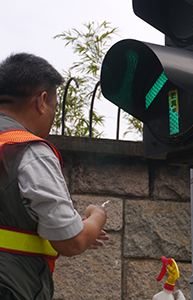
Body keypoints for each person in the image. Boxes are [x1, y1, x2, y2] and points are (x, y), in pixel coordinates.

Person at [0, 53, 108, 300]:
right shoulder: (28, 150)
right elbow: (72, 242)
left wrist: (65, 227)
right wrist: (97, 216)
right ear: (42, 101)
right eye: (54, 109)